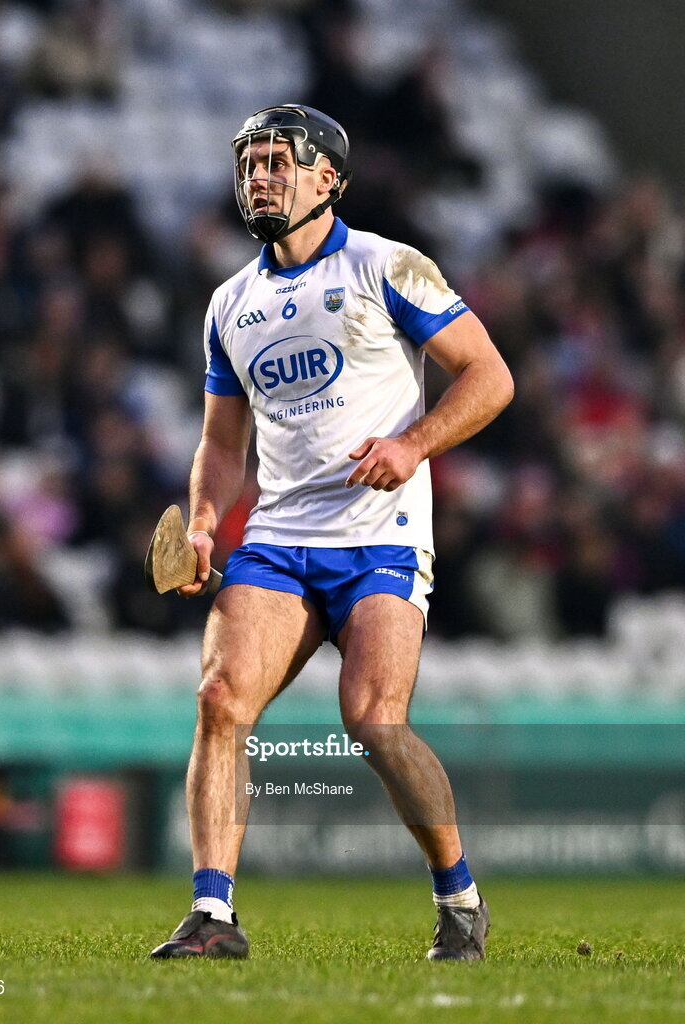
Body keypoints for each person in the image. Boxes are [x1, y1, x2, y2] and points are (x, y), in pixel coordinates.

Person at [150, 105, 513, 961]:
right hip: (279, 536)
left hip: (381, 532)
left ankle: (459, 897)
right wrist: (204, 520)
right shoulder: (228, 304)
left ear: (328, 178)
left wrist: (413, 443)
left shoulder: (387, 265)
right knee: (218, 701)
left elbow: (491, 375)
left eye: (278, 161)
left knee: (374, 721)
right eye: (250, 166)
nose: (259, 178)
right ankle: (213, 916)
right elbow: (222, 442)